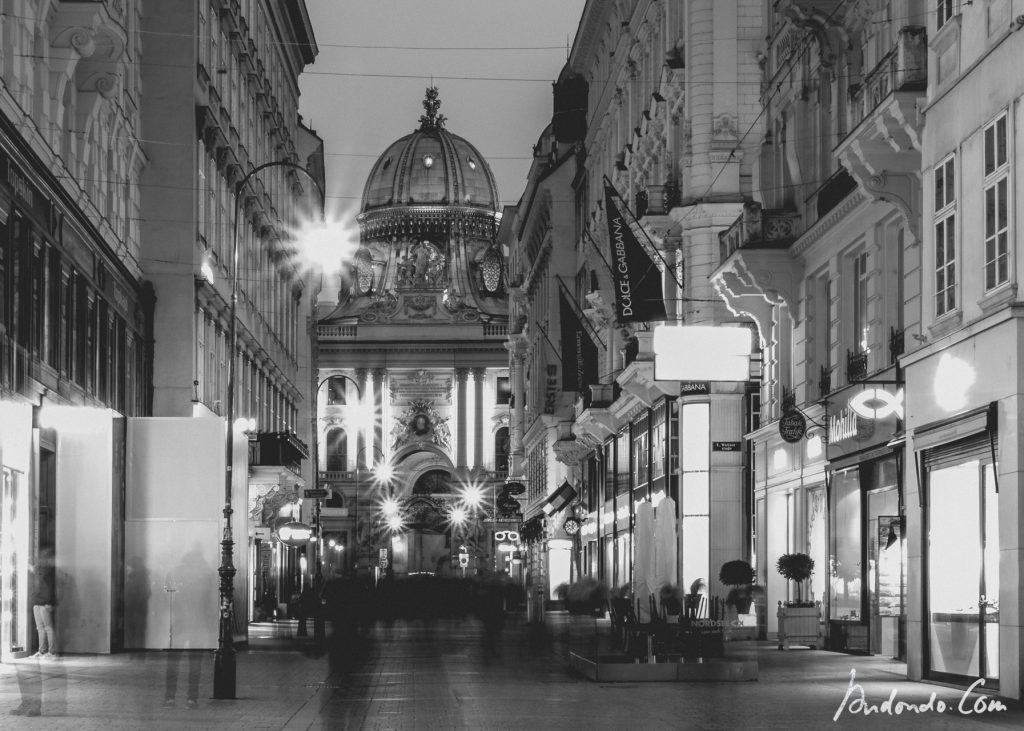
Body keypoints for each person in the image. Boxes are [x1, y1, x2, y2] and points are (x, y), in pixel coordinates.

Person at [30, 546, 57, 659]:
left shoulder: (48, 570)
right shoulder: (40, 569)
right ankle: (42, 651)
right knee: (40, 628)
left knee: (47, 627)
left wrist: (49, 602)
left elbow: (49, 587)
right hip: (37, 601)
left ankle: (52, 652)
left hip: (44, 602)